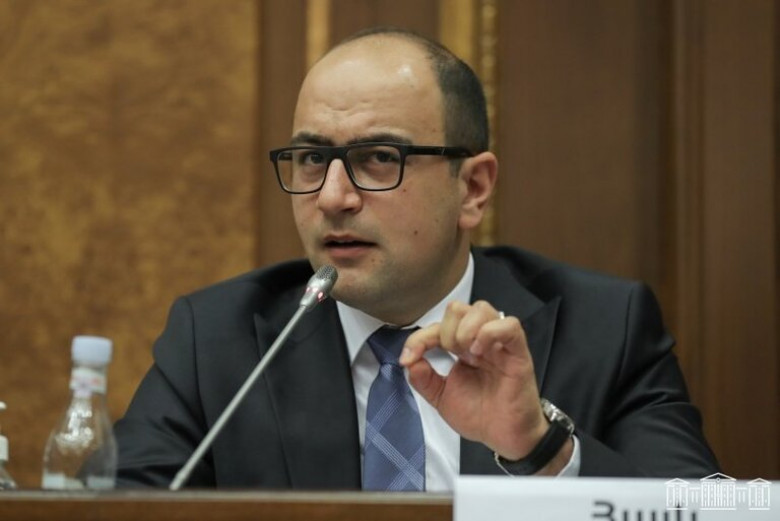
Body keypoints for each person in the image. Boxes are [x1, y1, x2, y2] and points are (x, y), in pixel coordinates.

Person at [114, 27, 719, 490]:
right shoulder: (218, 339)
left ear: (472, 188)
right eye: (312, 159)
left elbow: (705, 508)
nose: (332, 198)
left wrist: (542, 449)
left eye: (380, 158)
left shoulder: (605, 328)